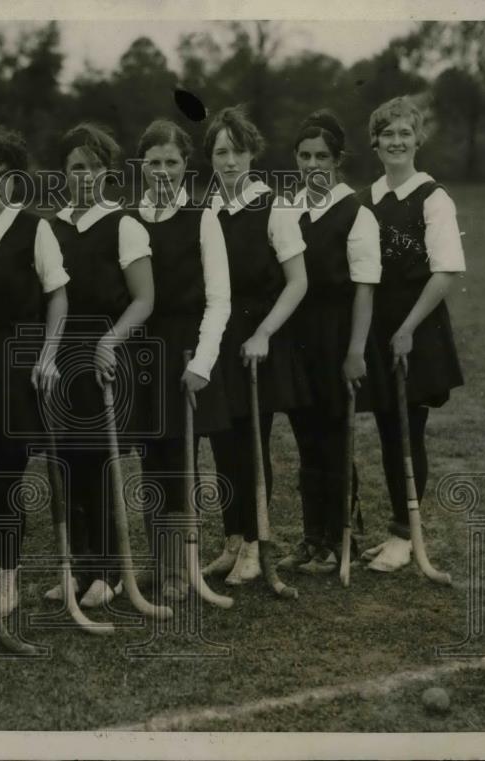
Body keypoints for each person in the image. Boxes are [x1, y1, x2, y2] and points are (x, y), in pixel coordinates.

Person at [0, 126, 69, 619]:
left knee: (5, 475)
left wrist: (48, 353)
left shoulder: (33, 229)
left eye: (1, 177)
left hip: (18, 364)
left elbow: (57, 295)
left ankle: (6, 585)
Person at [46, 123, 155, 608]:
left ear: (107, 173)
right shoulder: (51, 227)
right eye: (74, 168)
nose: (83, 176)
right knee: (63, 465)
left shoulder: (123, 224)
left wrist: (111, 340)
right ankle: (77, 567)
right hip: (61, 356)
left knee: (96, 463)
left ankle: (109, 572)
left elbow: (144, 298)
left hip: (104, 355)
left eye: (92, 168)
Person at [201, 106, 309, 585]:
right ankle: (232, 539)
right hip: (218, 338)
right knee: (222, 441)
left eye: (238, 151)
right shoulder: (205, 210)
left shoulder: (275, 206)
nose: (229, 161)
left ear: (252, 154)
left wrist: (264, 332)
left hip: (257, 341)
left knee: (251, 441)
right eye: (221, 152)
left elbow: (298, 282)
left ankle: (255, 543)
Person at [358, 96, 466, 572]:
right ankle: (397, 532)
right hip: (377, 328)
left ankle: (407, 536)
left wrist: (406, 329)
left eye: (405, 133)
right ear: (375, 143)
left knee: (408, 431)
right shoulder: (370, 197)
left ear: (417, 139)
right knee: (387, 429)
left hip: (415, 328)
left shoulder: (434, 197)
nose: (396, 142)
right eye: (388, 134)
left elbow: (444, 272)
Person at [132, 118, 231, 601]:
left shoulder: (202, 218)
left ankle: (179, 567)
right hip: (142, 354)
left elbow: (220, 300)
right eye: (154, 163)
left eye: (172, 163)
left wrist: (202, 364)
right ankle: (159, 559)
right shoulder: (129, 220)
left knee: (178, 460)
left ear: (185, 166)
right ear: (142, 166)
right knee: (151, 461)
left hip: (185, 353)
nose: (163, 171)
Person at [282, 110, 382, 573]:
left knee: (333, 439)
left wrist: (356, 351)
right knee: (306, 440)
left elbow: (364, 287)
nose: (312, 164)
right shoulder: (289, 209)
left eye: (322, 156)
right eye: (304, 156)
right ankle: (312, 538)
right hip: (298, 339)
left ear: (338, 159)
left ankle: (344, 538)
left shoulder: (355, 212)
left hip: (338, 337)